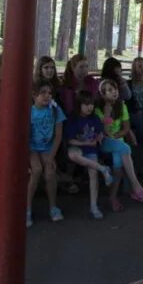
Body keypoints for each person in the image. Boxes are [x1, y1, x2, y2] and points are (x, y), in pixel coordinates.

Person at [96, 79, 143, 211]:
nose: (114, 92)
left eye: (115, 89)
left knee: (118, 166)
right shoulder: (98, 109)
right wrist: (106, 112)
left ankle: (113, 198)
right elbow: (103, 131)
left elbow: (126, 128)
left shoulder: (122, 106)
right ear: (103, 94)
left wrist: (117, 136)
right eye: (109, 90)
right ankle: (136, 186)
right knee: (126, 148)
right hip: (104, 142)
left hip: (118, 141)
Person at [65, 90, 114, 219]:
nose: (89, 107)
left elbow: (100, 132)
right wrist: (86, 142)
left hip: (91, 149)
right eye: (86, 104)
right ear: (79, 105)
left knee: (93, 173)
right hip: (78, 146)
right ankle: (103, 168)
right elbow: (70, 140)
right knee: (73, 155)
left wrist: (99, 137)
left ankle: (94, 205)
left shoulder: (95, 118)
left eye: (91, 104)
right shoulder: (73, 118)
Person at [26, 79, 66, 228]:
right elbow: (26, 136)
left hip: (48, 148)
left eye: (49, 93)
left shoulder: (56, 110)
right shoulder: (29, 111)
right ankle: (27, 208)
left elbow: (58, 135)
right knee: (36, 170)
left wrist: (51, 155)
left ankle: (53, 207)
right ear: (34, 94)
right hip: (32, 148)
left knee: (50, 172)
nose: (47, 96)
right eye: (42, 92)